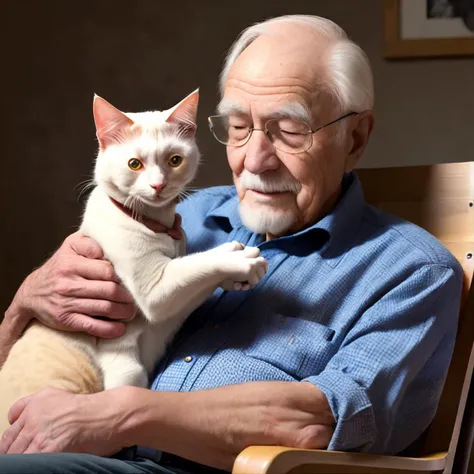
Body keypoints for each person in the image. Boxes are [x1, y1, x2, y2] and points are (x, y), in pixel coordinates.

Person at [0, 14, 463, 474]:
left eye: (290, 130)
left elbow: (318, 423)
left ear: (355, 137)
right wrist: (28, 301)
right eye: (239, 127)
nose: (255, 161)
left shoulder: (410, 271)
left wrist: (122, 415)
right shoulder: (183, 216)